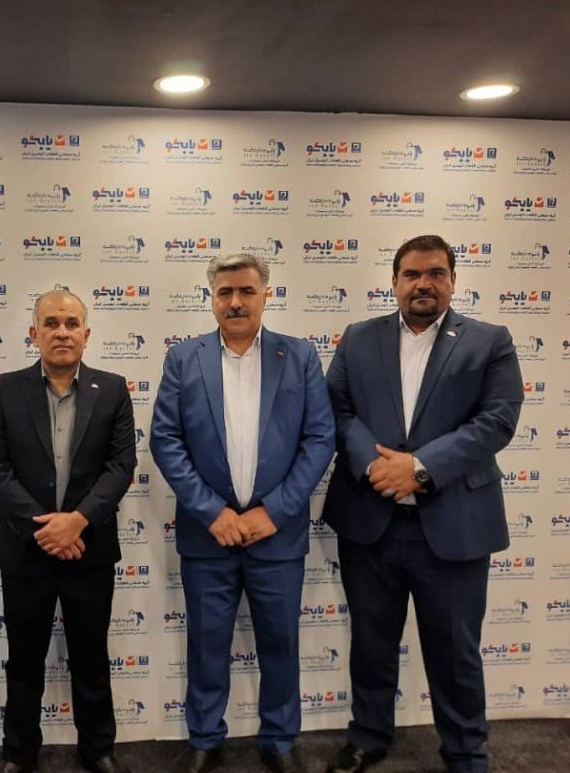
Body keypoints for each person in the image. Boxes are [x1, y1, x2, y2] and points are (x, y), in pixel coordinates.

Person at [321, 234, 523, 773]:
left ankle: (465, 752)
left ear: (453, 281)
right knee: (371, 642)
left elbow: (497, 420)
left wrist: (419, 468)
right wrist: (374, 465)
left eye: (436, 273)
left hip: (454, 525)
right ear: (394, 282)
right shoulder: (359, 338)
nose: (423, 284)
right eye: (412, 274)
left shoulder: (489, 342)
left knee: (455, 652)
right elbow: (336, 409)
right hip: (371, 522)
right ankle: (368, 737)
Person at [150, 254, 335, 773]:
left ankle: (280, 740)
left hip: (277, 534)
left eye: (246, 291)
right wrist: (213, 513)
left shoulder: (299, 356)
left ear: (265, 295)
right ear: (211, 299)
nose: (235, 302)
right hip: (208, 535)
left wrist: (274, 512)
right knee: (207, 644)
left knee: (281, 643)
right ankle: (205, 738)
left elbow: (320, 439)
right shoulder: (183, 359)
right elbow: (166, 440)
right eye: (225, 292)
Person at [0, 289, 137, 773]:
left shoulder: (113, 390)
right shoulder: (4, 389)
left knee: (91, 657)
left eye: (71, 324)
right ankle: (19, 752)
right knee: (24, 660)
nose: (62, 332)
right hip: (26, 551)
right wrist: (47, 529)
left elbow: (120, 467)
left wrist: (77, 521)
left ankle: (98, 749)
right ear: (34, 333)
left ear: (86, 334)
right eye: (51, 323)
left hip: (89, 549)